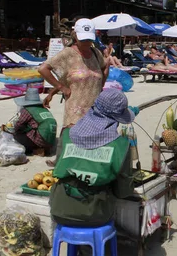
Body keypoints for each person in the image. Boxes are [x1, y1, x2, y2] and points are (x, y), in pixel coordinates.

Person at [49, 89, 140, 228]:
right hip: (95, 213)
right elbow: (123, 191)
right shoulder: (121, 145)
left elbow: (58, 167)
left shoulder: (67, 134)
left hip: (58, 208)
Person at [39, 18, 108, 128]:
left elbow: (104, 67)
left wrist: (101, 83)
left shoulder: (96, 53)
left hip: (96, 112)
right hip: (75, 116)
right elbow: (43, 69)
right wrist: (61, 87)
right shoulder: (67, 54)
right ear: (75, 35)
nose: (87, 42)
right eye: (83, 39)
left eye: (89, 39)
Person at [9, 88, 57, 156]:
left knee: (16, 137)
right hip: (51, 141)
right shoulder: (44, 109)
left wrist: (12, 131)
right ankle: (44, 148)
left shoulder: (28, 110)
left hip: (40, 139)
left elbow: (19, 124)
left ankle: (36, 149)